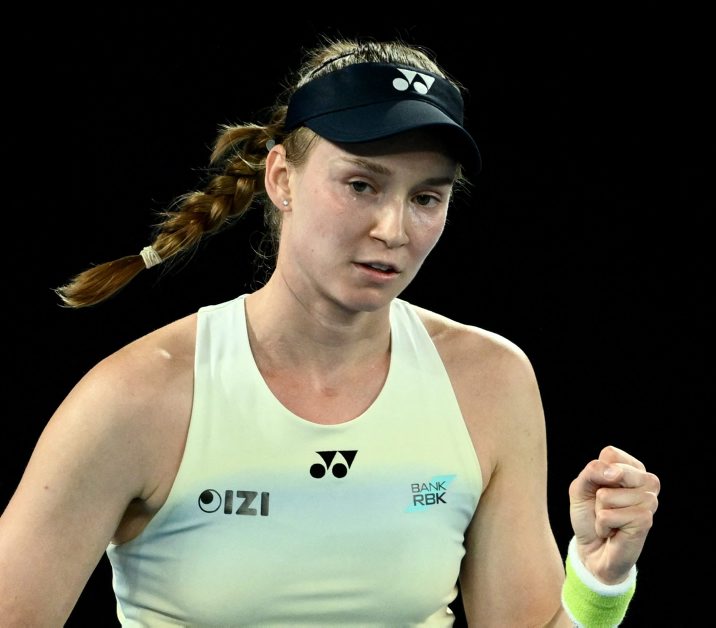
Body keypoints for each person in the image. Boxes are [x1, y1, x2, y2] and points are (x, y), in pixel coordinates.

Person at [0, 36, 660, 627]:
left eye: (426, 197)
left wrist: (599, 582)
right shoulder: (136, 397)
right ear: (281, 178)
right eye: (361, 185)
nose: (393, 229)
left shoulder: (490, 383)